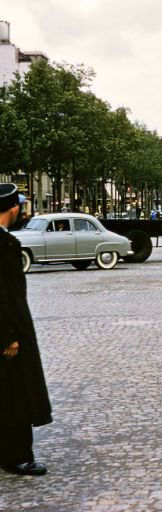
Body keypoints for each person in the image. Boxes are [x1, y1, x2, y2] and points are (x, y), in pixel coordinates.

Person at [0, 184, 52, 476]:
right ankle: (17, 455)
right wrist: (9, 336)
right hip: (9, 333)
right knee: (15, 395)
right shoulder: (4, 244)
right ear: (13, 208)